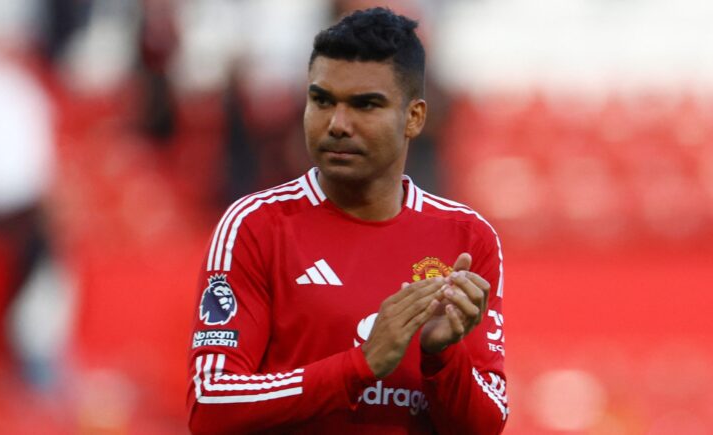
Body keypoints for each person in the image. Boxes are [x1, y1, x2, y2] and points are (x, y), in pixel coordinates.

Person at [187, 7, 508, 434]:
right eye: (322, 100)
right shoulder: (255, 226)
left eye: (365, 105)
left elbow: (486, 426)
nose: (337, 124)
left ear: (414, 117)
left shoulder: (468, 238)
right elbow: (210, 403)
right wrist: (360, 366)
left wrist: (443, 356)